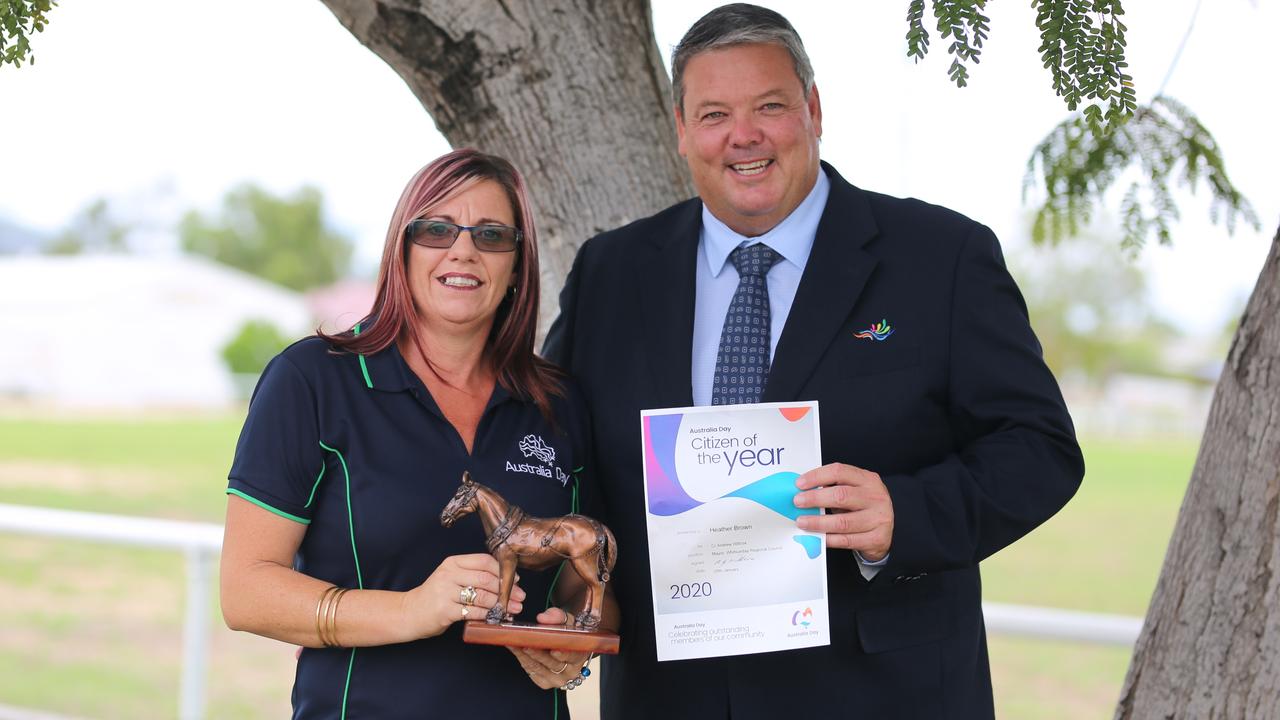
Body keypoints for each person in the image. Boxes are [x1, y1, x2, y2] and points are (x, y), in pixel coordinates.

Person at [543, 4, 1084, 718]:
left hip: (885, 694)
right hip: (672, 696)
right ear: (679, 129)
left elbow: (1041, 450)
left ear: (814, 109)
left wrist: (905, 513)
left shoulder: (939, 258)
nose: (744, 136)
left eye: (769, 106)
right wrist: (573, 597)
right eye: (713, 115)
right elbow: (558, 461)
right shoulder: (611, 273)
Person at [220, 148, 614, 719]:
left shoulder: (557, 402)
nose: (463, 249)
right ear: (401, 251)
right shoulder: (313, 380)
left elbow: (593, 583)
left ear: (517, 267)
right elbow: (246, 591)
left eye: (491, 235)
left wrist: (567, 642)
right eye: (436, 229)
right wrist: (412, 610)